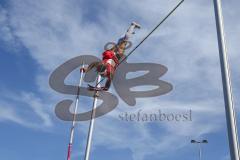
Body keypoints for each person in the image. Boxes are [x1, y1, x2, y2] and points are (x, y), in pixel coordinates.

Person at [81, 22, 141, 91]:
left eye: (103, 74)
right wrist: (85, 69)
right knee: (122, 40)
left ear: (105, 71)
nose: (102, 76)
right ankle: (130, 30)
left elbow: (106, 87)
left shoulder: (109, 73)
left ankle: (132, 26)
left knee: (125, 40)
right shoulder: (102, 67)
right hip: (110, 54)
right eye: (101, 74)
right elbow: (93, 64)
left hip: (115, 55)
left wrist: (97, 88)